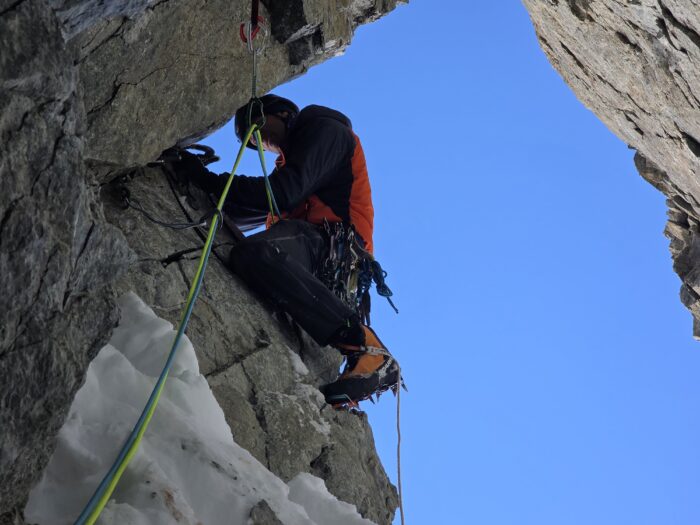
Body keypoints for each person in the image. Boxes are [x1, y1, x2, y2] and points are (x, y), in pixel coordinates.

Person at [170, 94, 400, 406]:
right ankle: (356, 356)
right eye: (254, 144)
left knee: (256, 253)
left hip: (332, 246)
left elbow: (282, 192)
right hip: (324, 261)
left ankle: (365, 345)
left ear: (283, 113)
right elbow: (252, 206)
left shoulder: (325, 131)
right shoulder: (291, 167)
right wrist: (197, 185)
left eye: (258, 128)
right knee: (253, 250)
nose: (259, 141)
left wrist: (210, 180)